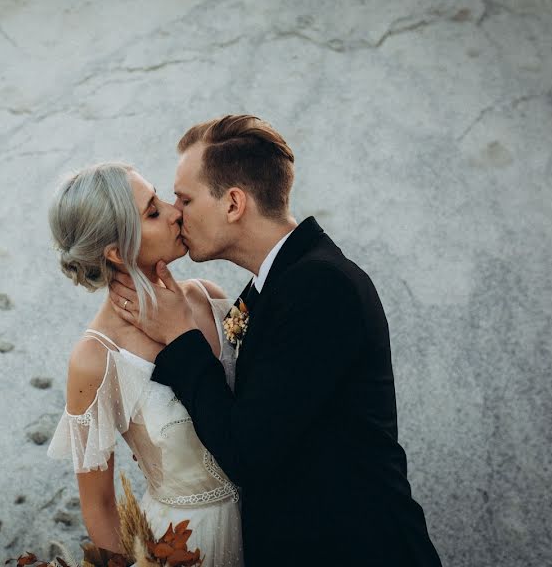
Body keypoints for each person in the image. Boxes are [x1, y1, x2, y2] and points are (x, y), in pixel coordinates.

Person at [109, 115, 443, 566]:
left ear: (233, 204)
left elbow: (247, 451)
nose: (175, 212)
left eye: (185, 199)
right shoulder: (272, 286)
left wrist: (180, 336)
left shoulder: (322, 287)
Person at [46, 162, 244, 566]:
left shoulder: (208, 298)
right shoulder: (94, 359)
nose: (175, 212)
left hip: (272, 521)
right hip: (187, 545)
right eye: (153, 212)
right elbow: (98, 506)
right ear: (117, 252)